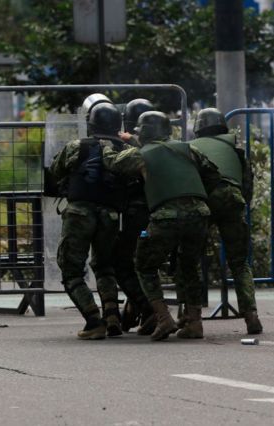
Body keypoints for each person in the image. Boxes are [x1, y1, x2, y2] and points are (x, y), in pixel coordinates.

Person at [102, 111, 221, 341]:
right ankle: (195, 322)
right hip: (199, 214)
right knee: (190, 267)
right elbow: (213, 174)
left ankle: (164, 318)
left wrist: (107, 144)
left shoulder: (140, 155)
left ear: (144, 132)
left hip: (166, 215)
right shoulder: (188, 149)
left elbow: (113, 163)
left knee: (144, 265)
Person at [49, 102, 128, 339]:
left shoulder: (76, 146)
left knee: (72, 269)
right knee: (104, 266)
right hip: (111, 215)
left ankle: (94, 320)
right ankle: (113, 316)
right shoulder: (124, 149)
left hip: (79, 214)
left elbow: (55, 170)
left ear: (90, 124)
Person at [189, 107, 263, 335]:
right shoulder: (235, 149)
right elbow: (247, 185)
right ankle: (250, 314)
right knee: (240, 262)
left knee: (190, 260)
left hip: (204, 200)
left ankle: (193, 319)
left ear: (198, 127)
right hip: (233, 199)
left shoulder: (192, 148)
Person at [112, 98, 156, 334]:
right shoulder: (169, 145)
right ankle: (135, 312)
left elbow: (118, 170)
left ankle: (149, 309)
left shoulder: (131, 148)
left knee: (122, 263)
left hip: (138, 215)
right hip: (159, 214)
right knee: (143, 264)